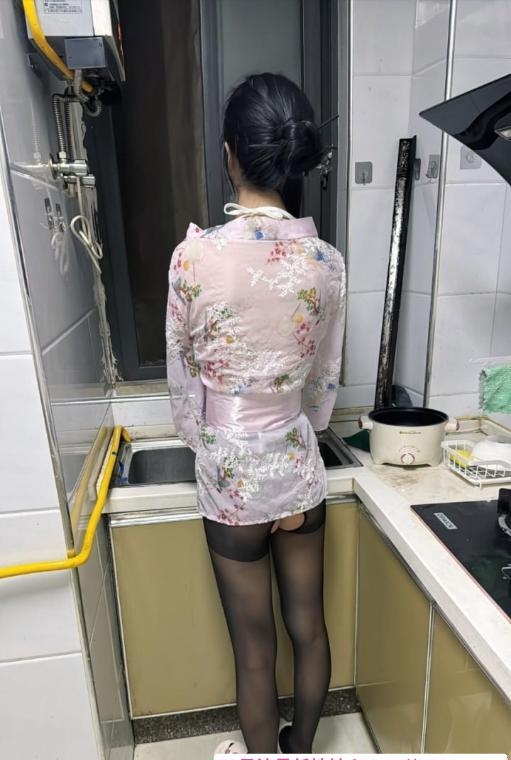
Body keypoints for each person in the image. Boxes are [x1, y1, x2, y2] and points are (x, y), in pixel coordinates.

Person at [166, 72, 346, 755]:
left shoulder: (193, 258)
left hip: (231, 471)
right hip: (296, 464)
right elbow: (323, 378)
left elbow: (182, 376)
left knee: (253, 648)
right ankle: (302, 751)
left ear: (230, 155)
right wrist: (303, 426)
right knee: (309, 627)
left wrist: (206, 441)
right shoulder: (325, 261)